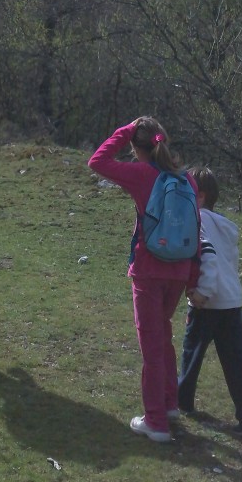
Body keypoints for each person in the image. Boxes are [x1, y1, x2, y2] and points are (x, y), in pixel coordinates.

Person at [88, 116, 199, 443]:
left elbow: (97, 161)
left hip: (149, 270)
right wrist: (192, 275)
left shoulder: (140, 175)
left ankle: (156, 422)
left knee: (151, 347)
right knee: (163, 335)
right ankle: (168, 404)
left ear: (138, 148)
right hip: (178, 270)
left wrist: (123, 130)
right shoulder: (188, 180)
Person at [178, 166, 242, 436]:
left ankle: (181, 400)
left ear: (201, 197)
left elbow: (207, 257)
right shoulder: (224, 226)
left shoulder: (197, 221)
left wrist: (202, 292)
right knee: (236, 362)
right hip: (232, 302)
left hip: (207, 302)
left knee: (191, 353)